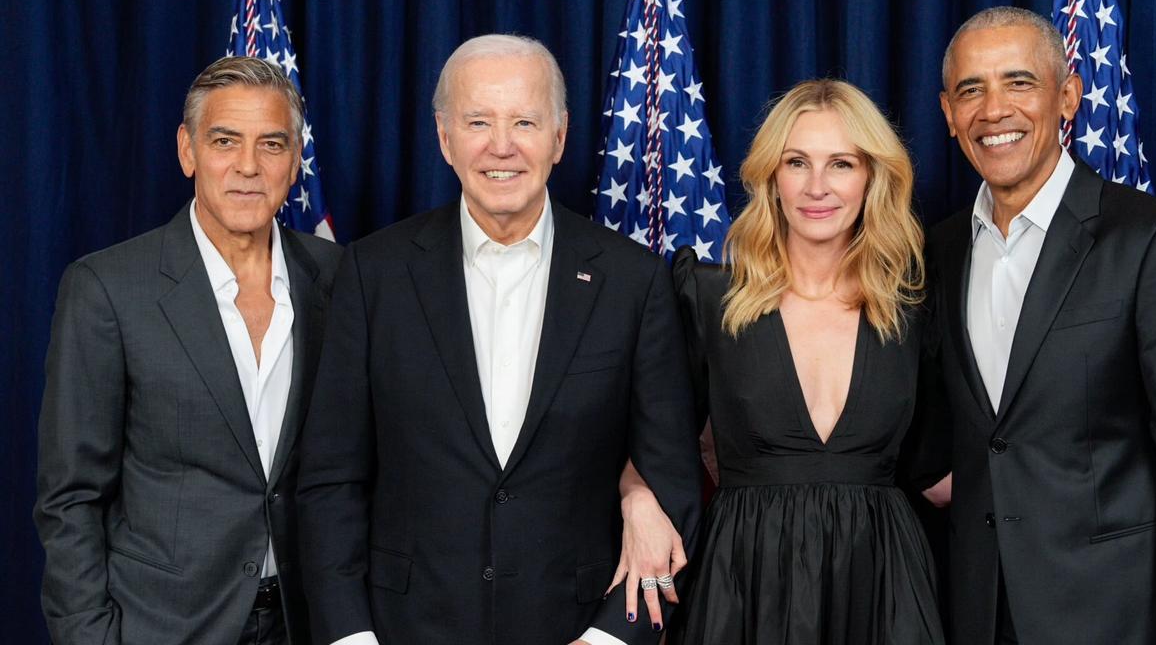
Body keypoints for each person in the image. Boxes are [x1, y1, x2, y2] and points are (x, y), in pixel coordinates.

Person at [294, 34, 703, 645]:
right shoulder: (372, 273)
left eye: (525, 122)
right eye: (478, 121)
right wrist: (351, 638)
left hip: (576, 628)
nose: (502, 146)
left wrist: (610, 638)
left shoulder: (633, 281)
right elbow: (331, 479)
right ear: (444, 137)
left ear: (560, 137)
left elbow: (671, 477)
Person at [922, 6, 1156, 643]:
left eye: (1019, 82)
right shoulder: (936, 251)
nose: (994, 111)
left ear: (1067, 96)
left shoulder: (1153, 241)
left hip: (1116, 618)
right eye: (970, 90)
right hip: (975, 613)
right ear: (947, 113)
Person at [34, 56, 342, 644]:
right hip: (164, 626)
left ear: (295, 157)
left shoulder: (337, 276)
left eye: (271, 144)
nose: (248, 167)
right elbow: (70, 497)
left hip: (306, 622)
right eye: (225, 141)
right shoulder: (108, 288)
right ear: (188, 149)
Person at [661, 79, 944, 644]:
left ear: (872, 177)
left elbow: (944, 466)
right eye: (797, 163)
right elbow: (654, 444)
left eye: (840, 163)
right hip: (742, 586)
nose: (817, 187)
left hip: (883, 586)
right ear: (772, 177)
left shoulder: (915, 306)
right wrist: (638, 500)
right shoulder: (708, 297)